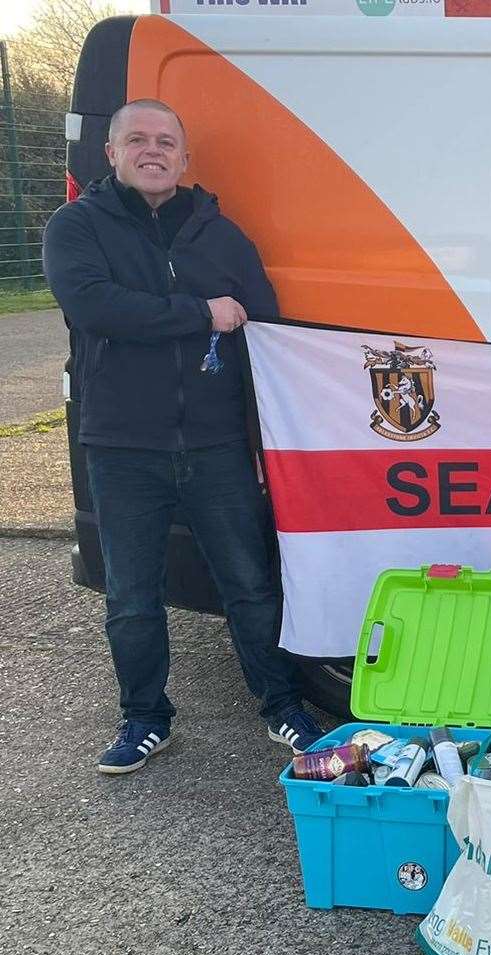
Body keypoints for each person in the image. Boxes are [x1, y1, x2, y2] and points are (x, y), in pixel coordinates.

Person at [43, 98, 324, 774]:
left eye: (166, 141)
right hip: (122, 445)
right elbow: (95, 307)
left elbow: (267, 334)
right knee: (132, 595)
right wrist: (200, 313)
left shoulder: (223, 236)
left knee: (250, 586)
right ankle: (144, 718)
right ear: (110, 152)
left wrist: (267, 442)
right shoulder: (75, 227)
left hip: (217, 443)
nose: (152, 150)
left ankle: (283, 706)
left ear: (184, 157)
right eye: (136, 139)